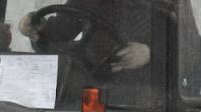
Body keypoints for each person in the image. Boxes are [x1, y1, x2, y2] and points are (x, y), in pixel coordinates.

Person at [17, 1, 150, 74]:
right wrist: (37, 31)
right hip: (101, 78)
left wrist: (150, 53)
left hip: (151, 85)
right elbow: (59, 30)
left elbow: (169, 29)